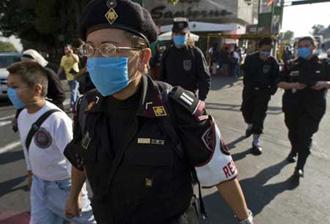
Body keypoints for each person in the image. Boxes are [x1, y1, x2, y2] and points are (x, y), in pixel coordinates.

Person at [63, 1, 254, 224]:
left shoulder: (178, 108)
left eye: (109, 50)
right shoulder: (87, 106)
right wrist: (73, 195)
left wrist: (245, 219)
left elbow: (221, 173)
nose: (95, 59)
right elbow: (80, 158)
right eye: (90, 49)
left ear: (143, 58)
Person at [6, 61, 95, 224]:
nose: (10, 91)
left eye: (15, 86)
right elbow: (28, 148)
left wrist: (76, 196)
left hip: (64, 186)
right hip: (39, 185)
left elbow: (75, 159)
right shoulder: (23, 116)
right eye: (8, 86)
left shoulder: (57, 119)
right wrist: (30, 171)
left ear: (37, 89)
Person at [277, 36, 330, 178]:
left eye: (306, 45)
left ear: (314, 47)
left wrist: (325, 84)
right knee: (293, 132)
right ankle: (294, 149)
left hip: (313, 107)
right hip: (292, 105)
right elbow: (280, 82)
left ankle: (299, 167)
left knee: (305, 135)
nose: (303, 48)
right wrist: (293, 85)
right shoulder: (290, 64)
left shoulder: (324, 64)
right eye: (300, 46)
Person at [241, 37, 279, 155]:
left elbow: (275, 78)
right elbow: (246, 74)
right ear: (259, 48)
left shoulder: (273, 62)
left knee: (259, 115)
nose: (266, 52)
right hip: (250, 91)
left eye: (268, 50)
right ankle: (250, 125)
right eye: (264, 49)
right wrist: (249, 86)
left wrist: (270, 91)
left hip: (263, 93)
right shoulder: (250, 58)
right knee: (246, 111)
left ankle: (256, 142)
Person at [158, 17, 210, 101]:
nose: (179, 36)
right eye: (176, 34)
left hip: (189, 99)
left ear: (188, 35)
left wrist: (201, 100)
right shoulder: (167, 53)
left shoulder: (196, 53)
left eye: (182, 34)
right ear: (172, 35)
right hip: (170, 99)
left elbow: (204, 78)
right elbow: (161, 78)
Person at [57, 44, 80, 109]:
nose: (66, 50)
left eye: (67, 49)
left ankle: (73, 106)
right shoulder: (63, 57)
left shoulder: (74, 56)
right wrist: (57, 75)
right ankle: (80, 103)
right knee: (75, 92)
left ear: (71, 50)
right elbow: (61, 67)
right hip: (68, 78)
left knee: (73, 91)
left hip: (76, 77)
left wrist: (72, 54)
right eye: (65, 49)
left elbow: (77, 60)